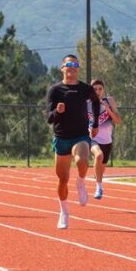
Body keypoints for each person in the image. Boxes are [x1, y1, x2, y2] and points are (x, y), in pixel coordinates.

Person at [46, 54, 100, 229]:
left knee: (82, 160)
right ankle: (64, 212)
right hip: (61, 137)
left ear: (78, 68)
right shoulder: (54, 90)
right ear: (62, 68)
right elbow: (49, 118)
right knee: (62, 179)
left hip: (80, 135)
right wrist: (57, 112)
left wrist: (96, 123)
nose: (72, 67)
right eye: (68, 64)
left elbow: (96, 102)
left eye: (75, 64)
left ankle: (81, 182)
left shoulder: (85, 89)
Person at [88, 79, 123, 200]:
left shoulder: (109, 101)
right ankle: (99, 187)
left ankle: (98, 178)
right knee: (98, 156)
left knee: (101, 169)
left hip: (107, 141)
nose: (97, 91)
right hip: (92, 139)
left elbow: (118, 121)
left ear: (103, 90)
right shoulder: (85, 103)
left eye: (100, 89)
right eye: (95, 89)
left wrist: (108, 109)